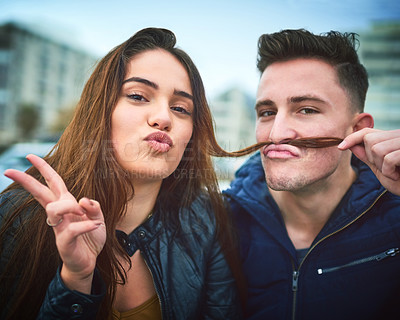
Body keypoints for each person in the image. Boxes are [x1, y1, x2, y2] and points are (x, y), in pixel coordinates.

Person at [0, 28, 243, 320]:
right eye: (139, 96)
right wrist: (76, 282)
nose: (164, 118)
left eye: (180, 108)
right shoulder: (18, 217)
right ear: (100, 110)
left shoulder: (206, 221)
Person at [223, 29, 400, 320]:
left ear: (357, 130)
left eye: (305, 109)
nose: (276, 133)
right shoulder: (220, 224)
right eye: (267, 112)